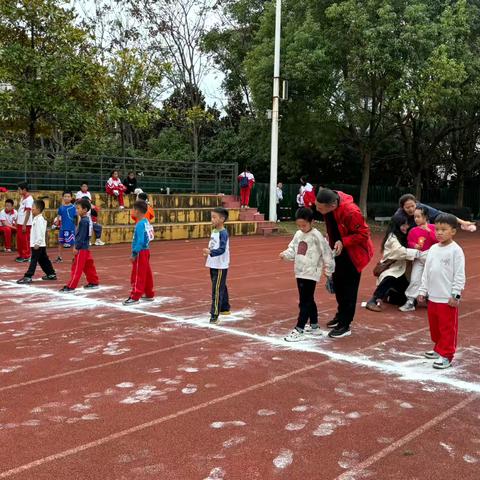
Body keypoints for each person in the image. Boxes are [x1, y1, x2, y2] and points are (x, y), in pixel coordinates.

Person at [315, 188, 374, 338]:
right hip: (338, 251)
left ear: (332, 206)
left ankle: (345, 324)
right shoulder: (330, 202)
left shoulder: (351, 212)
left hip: (353, 254)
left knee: (349, 289)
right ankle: (341, 315)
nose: (317, 210)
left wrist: (344, 241)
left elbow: (363, 234)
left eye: (320, 208)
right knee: (338, 285)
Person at [418, 213, 466, 369]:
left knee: (447, 328)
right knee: (435, 327)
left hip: (447, 299)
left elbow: (459, 275)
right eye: (437, 229)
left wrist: (455, 294)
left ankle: (446, 354)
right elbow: (426, 271)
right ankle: (439, 348)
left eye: (443, 229)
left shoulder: (456, 251)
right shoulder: (432, 249)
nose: (439, 232)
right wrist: (422, 290)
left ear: (453, 231)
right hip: (433, 297)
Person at [280, 207, 335, 342]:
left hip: (311, 273)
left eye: (304, 225)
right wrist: (285, 255)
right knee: (308, 299)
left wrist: (329, 272)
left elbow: (327, 254)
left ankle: (299, 329)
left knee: (304, 301)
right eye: (298, 225)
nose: (301, 228)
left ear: (312, 222)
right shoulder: (298, 234)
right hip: (299, 271)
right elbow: (293, 249)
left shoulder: (317, 236)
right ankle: (315, 326)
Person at [366, 214, 419, 312]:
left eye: (407, 225)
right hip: (391, 268)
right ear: (396, 225)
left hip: (402, 271)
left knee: (411, 301)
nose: (406, 227)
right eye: (403, 225)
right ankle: (373, 300)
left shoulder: (404, 235)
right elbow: (400, 251)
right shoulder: (392, 237)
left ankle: (389, 295)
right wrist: (417, 253)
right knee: (390, 277)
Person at [399, 206, 438, 312]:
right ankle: (410, 301)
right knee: (415, 278)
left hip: (432, 258)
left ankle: (431, 298)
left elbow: (438, 241)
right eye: (415, 217)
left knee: (432, 279)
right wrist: (414, 245)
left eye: (418, 217)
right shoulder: (413, 230)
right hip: (419, 258)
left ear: (425, 217)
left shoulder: (434, 228)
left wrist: (429, 231)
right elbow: (409, 242)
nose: (416, 219)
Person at [60, 198, 99, 292]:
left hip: (81, 248)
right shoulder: (87, 220)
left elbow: (81, 236)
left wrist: (76, 247)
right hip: (86, 247)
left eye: (78, 208)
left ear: (85, 210)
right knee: (89, 266)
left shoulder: (83, 221)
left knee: (77, 267)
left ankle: (71, 286)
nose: (76, 210)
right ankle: (93, 282)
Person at [123, 201, 155, 305]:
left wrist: (134, 252)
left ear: (136, 211)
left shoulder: (140, 224)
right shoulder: (146, 221)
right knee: (146, 273)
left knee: (138, 274)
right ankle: (149, 293)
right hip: (146, 250)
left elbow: (140, 240)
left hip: (140, 251)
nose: (132, 211)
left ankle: (135, 296)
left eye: (133, 209)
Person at [17, 200, 56, 284]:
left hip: (38, 244)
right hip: (38, 244)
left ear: (38, 209)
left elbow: (41, 232)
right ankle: (51, 273)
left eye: (33, 208)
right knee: (43, 259)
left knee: (34, 260)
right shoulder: (36, 219)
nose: (32, 209)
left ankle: (28, 276)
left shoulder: (39, 220)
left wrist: (37, 243)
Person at [203, 207, 230, 324]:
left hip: (220, 264)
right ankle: (225, 307)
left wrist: (211, 252)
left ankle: (214, 314)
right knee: (220, 285)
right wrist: (208, 252)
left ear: (222, 219)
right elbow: (212, 244)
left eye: (214, 217)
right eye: (212, 217)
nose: (212, 219)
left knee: (216, 289)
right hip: (213, 263)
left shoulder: (223, 233)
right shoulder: (214, 231)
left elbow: (222, 249)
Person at [395, 193, 476, 230]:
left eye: (413, 206)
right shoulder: (399, 214)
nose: (411, 209)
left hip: (425, 231)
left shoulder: (422, 207)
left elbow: (443, 215)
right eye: (407, 207)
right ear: (402, 208)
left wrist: (462, 222)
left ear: (416, 203)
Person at [53, 191, 77, 263]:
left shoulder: (73, 207)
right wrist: (56, 223)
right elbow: (58, 216)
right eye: (65, 196)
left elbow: (77, 217)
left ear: (71, 198)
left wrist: (77, 226)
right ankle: (59, 257)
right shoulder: (61, 207)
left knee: (73, 244)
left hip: (71, 228)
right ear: (63, 197)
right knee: (60, 243)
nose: (66, 198)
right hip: (62, 228)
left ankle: (74, 258)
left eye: (68, 196)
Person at [15, 182, 34, 262]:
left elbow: (28, 212)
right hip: (20, 222)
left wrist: (24, 224)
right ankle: (21, 255)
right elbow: (21, 210)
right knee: (19, 239)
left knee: (24, 240)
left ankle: (26, 256)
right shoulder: (23, 198)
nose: (18, 191)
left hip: (25, 223)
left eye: (19, 190)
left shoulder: (29, 199)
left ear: (24, 190)